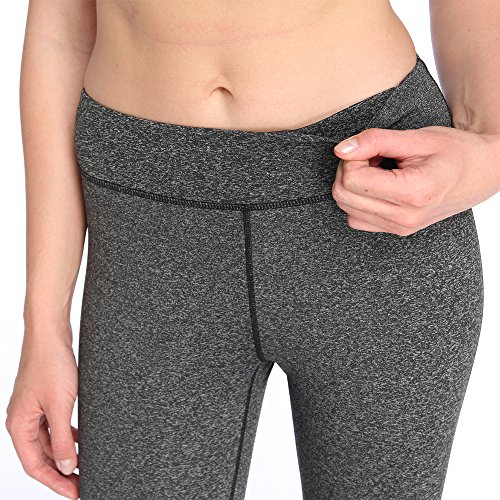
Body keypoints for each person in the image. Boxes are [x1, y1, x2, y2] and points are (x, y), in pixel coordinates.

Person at [5, 0, 497, 499]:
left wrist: (490, 151)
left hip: (375, 198)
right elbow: (60, 34)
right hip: (146, 227)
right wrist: (44, 327)